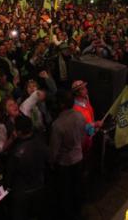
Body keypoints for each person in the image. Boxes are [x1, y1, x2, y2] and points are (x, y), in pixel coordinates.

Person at [49, 90, 87, 220]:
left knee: (65, 192)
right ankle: (78, 211)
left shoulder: (57, 125)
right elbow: (83, 137)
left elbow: (54, 149)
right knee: (77, 186)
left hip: (64, 163)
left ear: (61, 105)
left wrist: (51, 162)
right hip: (79, 158)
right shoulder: (80, 116)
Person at [5, 115, 50, 220]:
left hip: (22, 193)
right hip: (39, 186)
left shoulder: (16, 151)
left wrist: (8, 187)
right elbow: (49, 158)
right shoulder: (41, 141)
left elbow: (9, 174)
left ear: (19, 132)